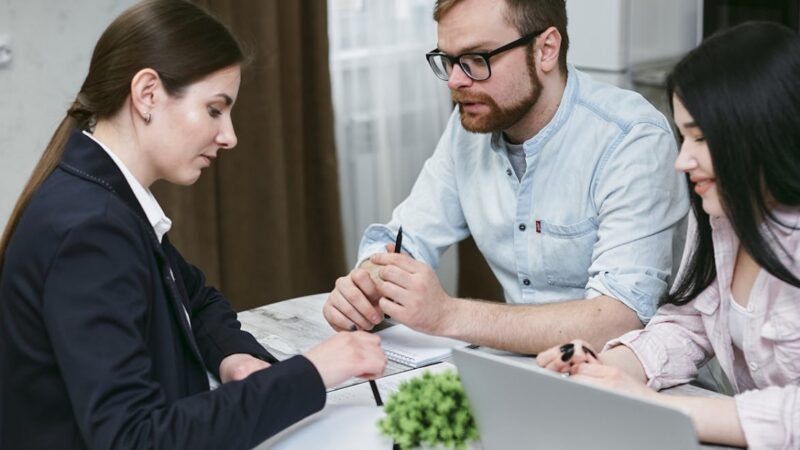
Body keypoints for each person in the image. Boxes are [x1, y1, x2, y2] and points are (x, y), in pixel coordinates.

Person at [0, 1, 386, 449]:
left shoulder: (100, 194)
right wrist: (313, 373)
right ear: (147, 94)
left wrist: (234, 357)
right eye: (215, 110)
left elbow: (195, 299)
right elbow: (134, 439)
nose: (230, 136)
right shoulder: (93, 229)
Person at [323, 0, 688, 353]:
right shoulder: (467, 131)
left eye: (476, 60)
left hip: (630, 385)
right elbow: (406, 240)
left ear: (545, 49)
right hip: (521, 377)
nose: (454, 81)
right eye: (448, 60)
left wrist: (447, 315)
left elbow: (619, 318)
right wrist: (367, 283)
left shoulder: (630, 138)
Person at [536, 22, 800, 449]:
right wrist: (607, 368)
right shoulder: (721, 212)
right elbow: (689, 324)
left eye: (701, 137)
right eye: (683, 136)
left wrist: (654, 407)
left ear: (760, 131)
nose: (682, 160)